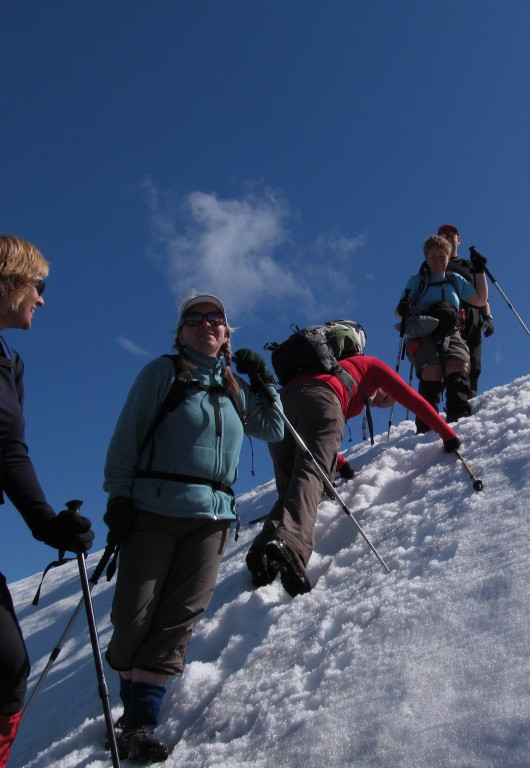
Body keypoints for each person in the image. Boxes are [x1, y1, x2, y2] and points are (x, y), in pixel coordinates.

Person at [102, 293, 283, 763]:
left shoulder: (234, 386)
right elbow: (126, 438)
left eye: (215, 318)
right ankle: (130, 702)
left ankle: (139, 722)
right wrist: (118, 498)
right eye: (195, 318)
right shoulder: (162, 373)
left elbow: (273, 429)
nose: (206, 324)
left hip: (212, 516)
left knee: (180, 615)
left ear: (226, 333)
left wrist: (265, 382)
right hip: (153, 508)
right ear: (181, 333)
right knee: (133, 615)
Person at [240, 352, 461, 597]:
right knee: (312, 475)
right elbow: (412, 398)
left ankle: (262, 552)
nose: (383, 402)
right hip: (320, 398)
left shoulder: (337, 372)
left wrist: (342, 464)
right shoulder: (371, 366)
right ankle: (291, 545)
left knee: (289, 489)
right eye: (386, 398)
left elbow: (315, 435)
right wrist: (448, 434)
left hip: (284, 403)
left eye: (384, 404)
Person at [0, 235, 94, 768]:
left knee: (8, 667)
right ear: (11, 279)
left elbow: (9, 452)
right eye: (38, 286)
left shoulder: (9, 364)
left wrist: (47, 523)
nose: (41, 298)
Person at [396, 234, 489, 432]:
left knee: (458, 364)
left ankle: (460, 419)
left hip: (450, 331)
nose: (438, 260)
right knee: (432, 371)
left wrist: (479, 271)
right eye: (433, 256)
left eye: (442, 256)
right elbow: (399, 312)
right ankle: (426, 428)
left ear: (448, 257)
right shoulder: (417, 281)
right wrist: (404, 306)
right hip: (424, 331)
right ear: (426, 258)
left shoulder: (455, 280)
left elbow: (480, 300)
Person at [437, 224, 494, 398]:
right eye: (443, 235)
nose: (448, 237)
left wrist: (487, 316)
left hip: (471, 315)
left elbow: (482, 295)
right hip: (445, 316)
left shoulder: (469, 265)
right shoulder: (434, 265)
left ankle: (468, 401)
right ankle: (440, 406)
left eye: (451, 234)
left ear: (458, 239)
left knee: (473, 362)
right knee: (444, 362)